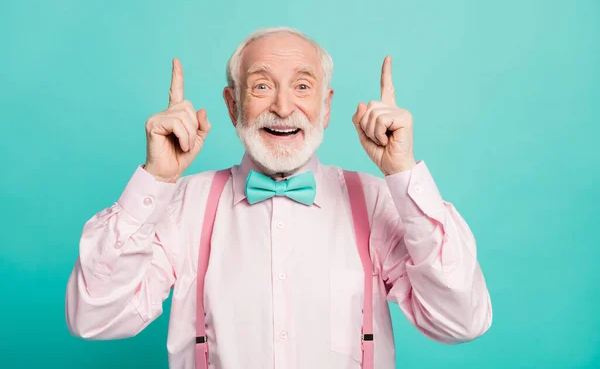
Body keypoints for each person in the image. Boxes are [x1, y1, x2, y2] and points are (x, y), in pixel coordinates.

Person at [65, 27, 492, 369]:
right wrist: (156, 180)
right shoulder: (183, 206)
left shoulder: (377, 201)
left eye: (303, 86)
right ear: (233, 106)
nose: (284, 107)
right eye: (262, 86)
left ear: (326, 108)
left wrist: (403, 173)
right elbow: (94, 318)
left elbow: (460, 320)